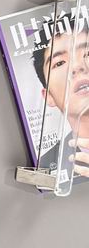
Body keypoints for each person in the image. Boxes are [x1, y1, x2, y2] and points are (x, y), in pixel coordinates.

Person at [31, 13, 89, 179]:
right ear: (48, 95)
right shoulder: (46, 167)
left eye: (87, 53)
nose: (77, 66)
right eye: (60, 63)